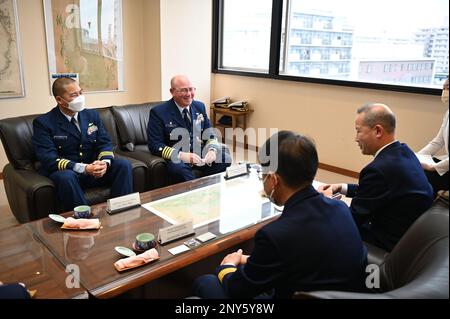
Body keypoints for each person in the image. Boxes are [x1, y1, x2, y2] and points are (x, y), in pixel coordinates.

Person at [192, 131, 367, 299]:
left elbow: (237, 290)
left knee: (206, 281)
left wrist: (228, 266)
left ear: (274, 179)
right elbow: (303, 254)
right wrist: (251, 259)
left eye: (263, 174)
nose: (263, 180)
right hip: (339, 292)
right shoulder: (341, 208)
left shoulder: (275, 235)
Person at [318, 103, 433, 252]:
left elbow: (352, 220)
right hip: (411, 237)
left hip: (387, 244)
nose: (356, 139)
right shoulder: (404, 152)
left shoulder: (378, 170)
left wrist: (328, 201)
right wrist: (342, 187)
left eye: (358, 131)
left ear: (378, 131)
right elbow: (378, 191)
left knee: (321, 226)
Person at [32, 77, 133, 212]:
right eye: (73, 95)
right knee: (66, 177)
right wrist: (84, 168)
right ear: (59, 100)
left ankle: (122, 211)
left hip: (93, 169)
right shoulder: (44, 123)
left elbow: (104, 142)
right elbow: (49, 159)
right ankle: (84, 220)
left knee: (123, 164)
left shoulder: (92, 115)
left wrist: (104, 163)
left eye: (80, 92)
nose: (79, 97)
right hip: (70, 172)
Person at [147, 75, 231, 183]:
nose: (188, 94)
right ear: (172, 91)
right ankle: (197, 192)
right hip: (178, 157)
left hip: (199, 153)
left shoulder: (199, 106)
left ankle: (207, 187)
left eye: (191, 89)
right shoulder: (159, 112)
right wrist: (181, 155)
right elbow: (155, 145)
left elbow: (209, 133)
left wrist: (212, 150)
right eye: (183, 90)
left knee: (225, 159)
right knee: (179, 170)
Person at [418, 78, 449, 195]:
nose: (445, 91)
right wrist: (417, 157)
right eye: (444, 88)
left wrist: (433, 167)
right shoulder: (448, 113)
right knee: (415, 169)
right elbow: (438, 141)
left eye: (448, 88)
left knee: (424, 176)